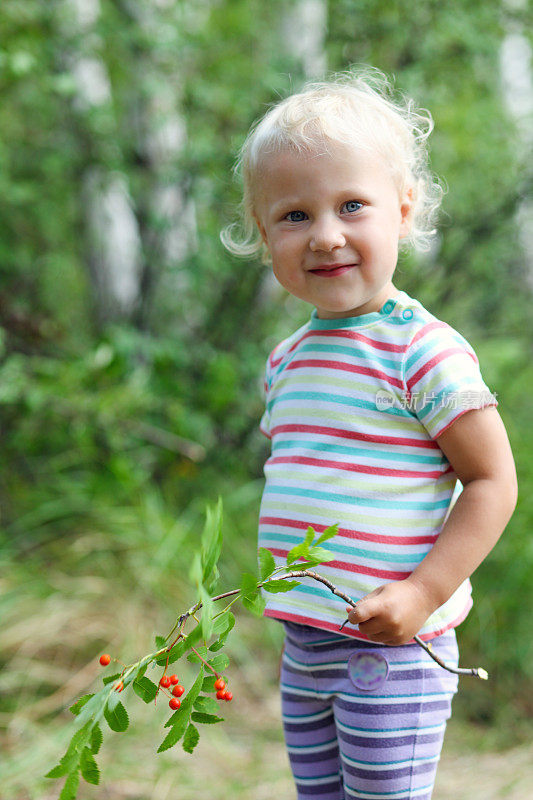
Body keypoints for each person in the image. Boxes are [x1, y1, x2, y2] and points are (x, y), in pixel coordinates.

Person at [221, 67, 517, 800]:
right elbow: (321, 478)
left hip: (393, 648)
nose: (324, 236)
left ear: (403, 211)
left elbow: (491, 482)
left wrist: (422, 593)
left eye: (352, 205)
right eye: (293, 216)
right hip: (307, 644)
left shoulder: (423, 350)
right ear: (263, 234)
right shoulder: (287, 360)